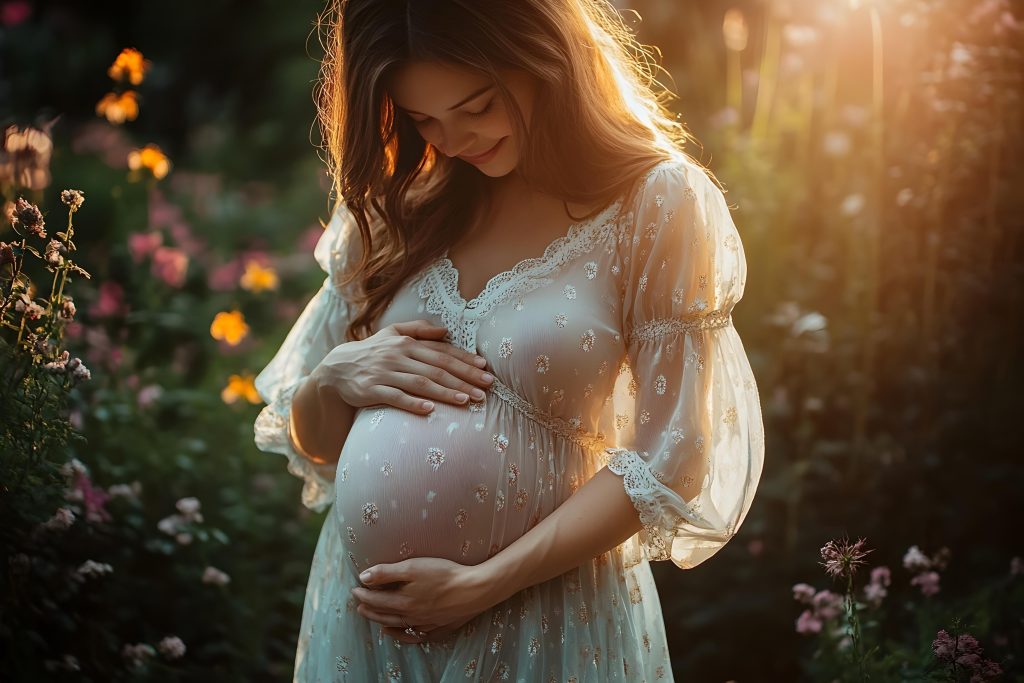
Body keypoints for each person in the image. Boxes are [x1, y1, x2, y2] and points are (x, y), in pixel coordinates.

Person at [253, 0, 766, 680]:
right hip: (365, 631)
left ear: (545, 58)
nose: (455, 137)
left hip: (545, 619)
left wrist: (484, 583)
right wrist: (336, 375)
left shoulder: (656, 202)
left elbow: (673, 455)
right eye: (423, 119)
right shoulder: (396, 207)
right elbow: (317, 441)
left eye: (477, 105)